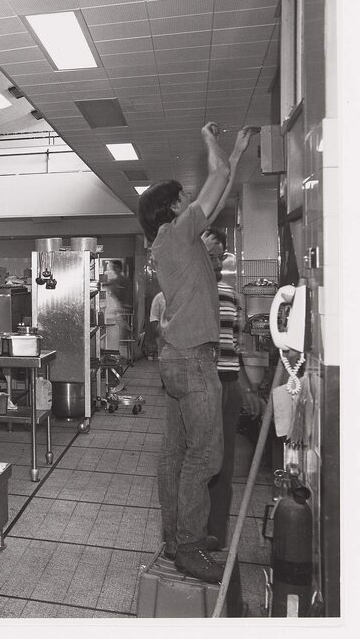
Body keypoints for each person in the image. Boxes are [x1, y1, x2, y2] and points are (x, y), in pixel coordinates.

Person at [138, 121, 258, 583]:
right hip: (192, 358)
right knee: (205, 456)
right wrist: (213, 141)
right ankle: (188, 544)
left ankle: (175, 537)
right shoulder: (177, 233)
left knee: (175, 453)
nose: (192, 203)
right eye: (185, 200)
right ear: (173, 207)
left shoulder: (171, 242)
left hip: (175, 358)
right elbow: (218, 178)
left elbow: (219, 191)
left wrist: (239, 152)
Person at [202, 228, 265, 547]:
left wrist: (248, 389)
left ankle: (215, 536)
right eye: (209, 254)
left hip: (228, 383)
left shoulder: (230, 295)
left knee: (224, 466)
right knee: (203, 463)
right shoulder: (191, 293)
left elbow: (235, 346)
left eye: (219, 255)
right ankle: (192, 533)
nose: (215, 261)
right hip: (203, 386)